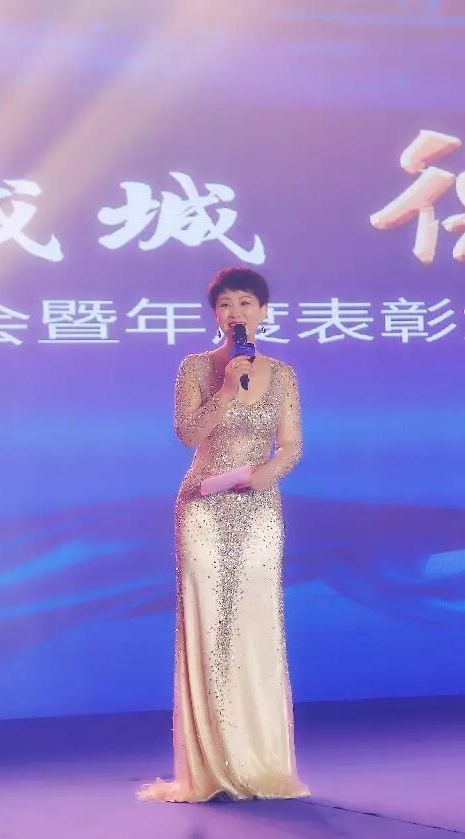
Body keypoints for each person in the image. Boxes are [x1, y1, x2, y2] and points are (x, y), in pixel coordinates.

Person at [138, 267, 310, 803]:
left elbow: (292, 445)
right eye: (226, 304)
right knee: (209, 625)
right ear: (216, 314)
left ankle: (258, 758)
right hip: (203, 507)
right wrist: (228, 391)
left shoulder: (283, 375)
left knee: (256, 623)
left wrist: (267, 474)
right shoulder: (196, 367)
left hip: (258, 507)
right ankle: (211, 765)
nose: (236, 312)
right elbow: (187, 433)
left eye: (246, 302)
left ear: (263, 312)